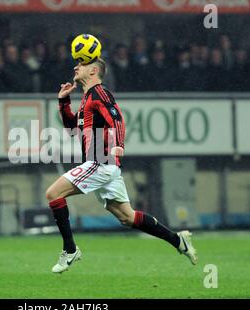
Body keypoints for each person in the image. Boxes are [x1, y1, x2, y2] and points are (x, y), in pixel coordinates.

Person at [46, 57, 198, 274]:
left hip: (100, 161)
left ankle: (70, 249)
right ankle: (178, 240)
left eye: (82, 64)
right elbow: (72, 128)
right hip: (104, 165)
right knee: (128, 217)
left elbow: (117, 120)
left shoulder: (100, 92)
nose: (75, 67)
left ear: (93, 71)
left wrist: (119, 144)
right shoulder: (87, 98)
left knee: (53, 193)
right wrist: (63, 101)